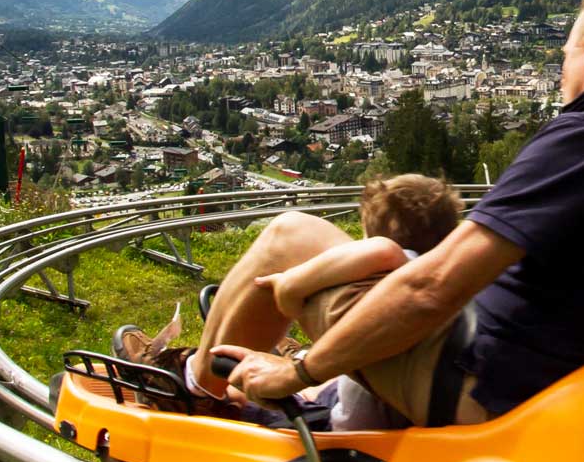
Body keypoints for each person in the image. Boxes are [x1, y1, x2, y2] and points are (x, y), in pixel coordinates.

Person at [190, 0, 584, 427]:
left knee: (289, 235)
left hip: (486, 386)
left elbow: (431, 288)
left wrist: (295, 372)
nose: (563, 66)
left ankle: (195, 392)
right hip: (568, 371)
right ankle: (203, 372)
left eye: (565, 51)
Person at [112, 173, 460, 430]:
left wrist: (294, 285)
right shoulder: (453, 280)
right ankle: (276, 359)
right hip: (392, 400)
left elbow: (384, 251)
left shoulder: (397, 260)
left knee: (290, 231)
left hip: (343, 426)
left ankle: (193, 387)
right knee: (331, 379)